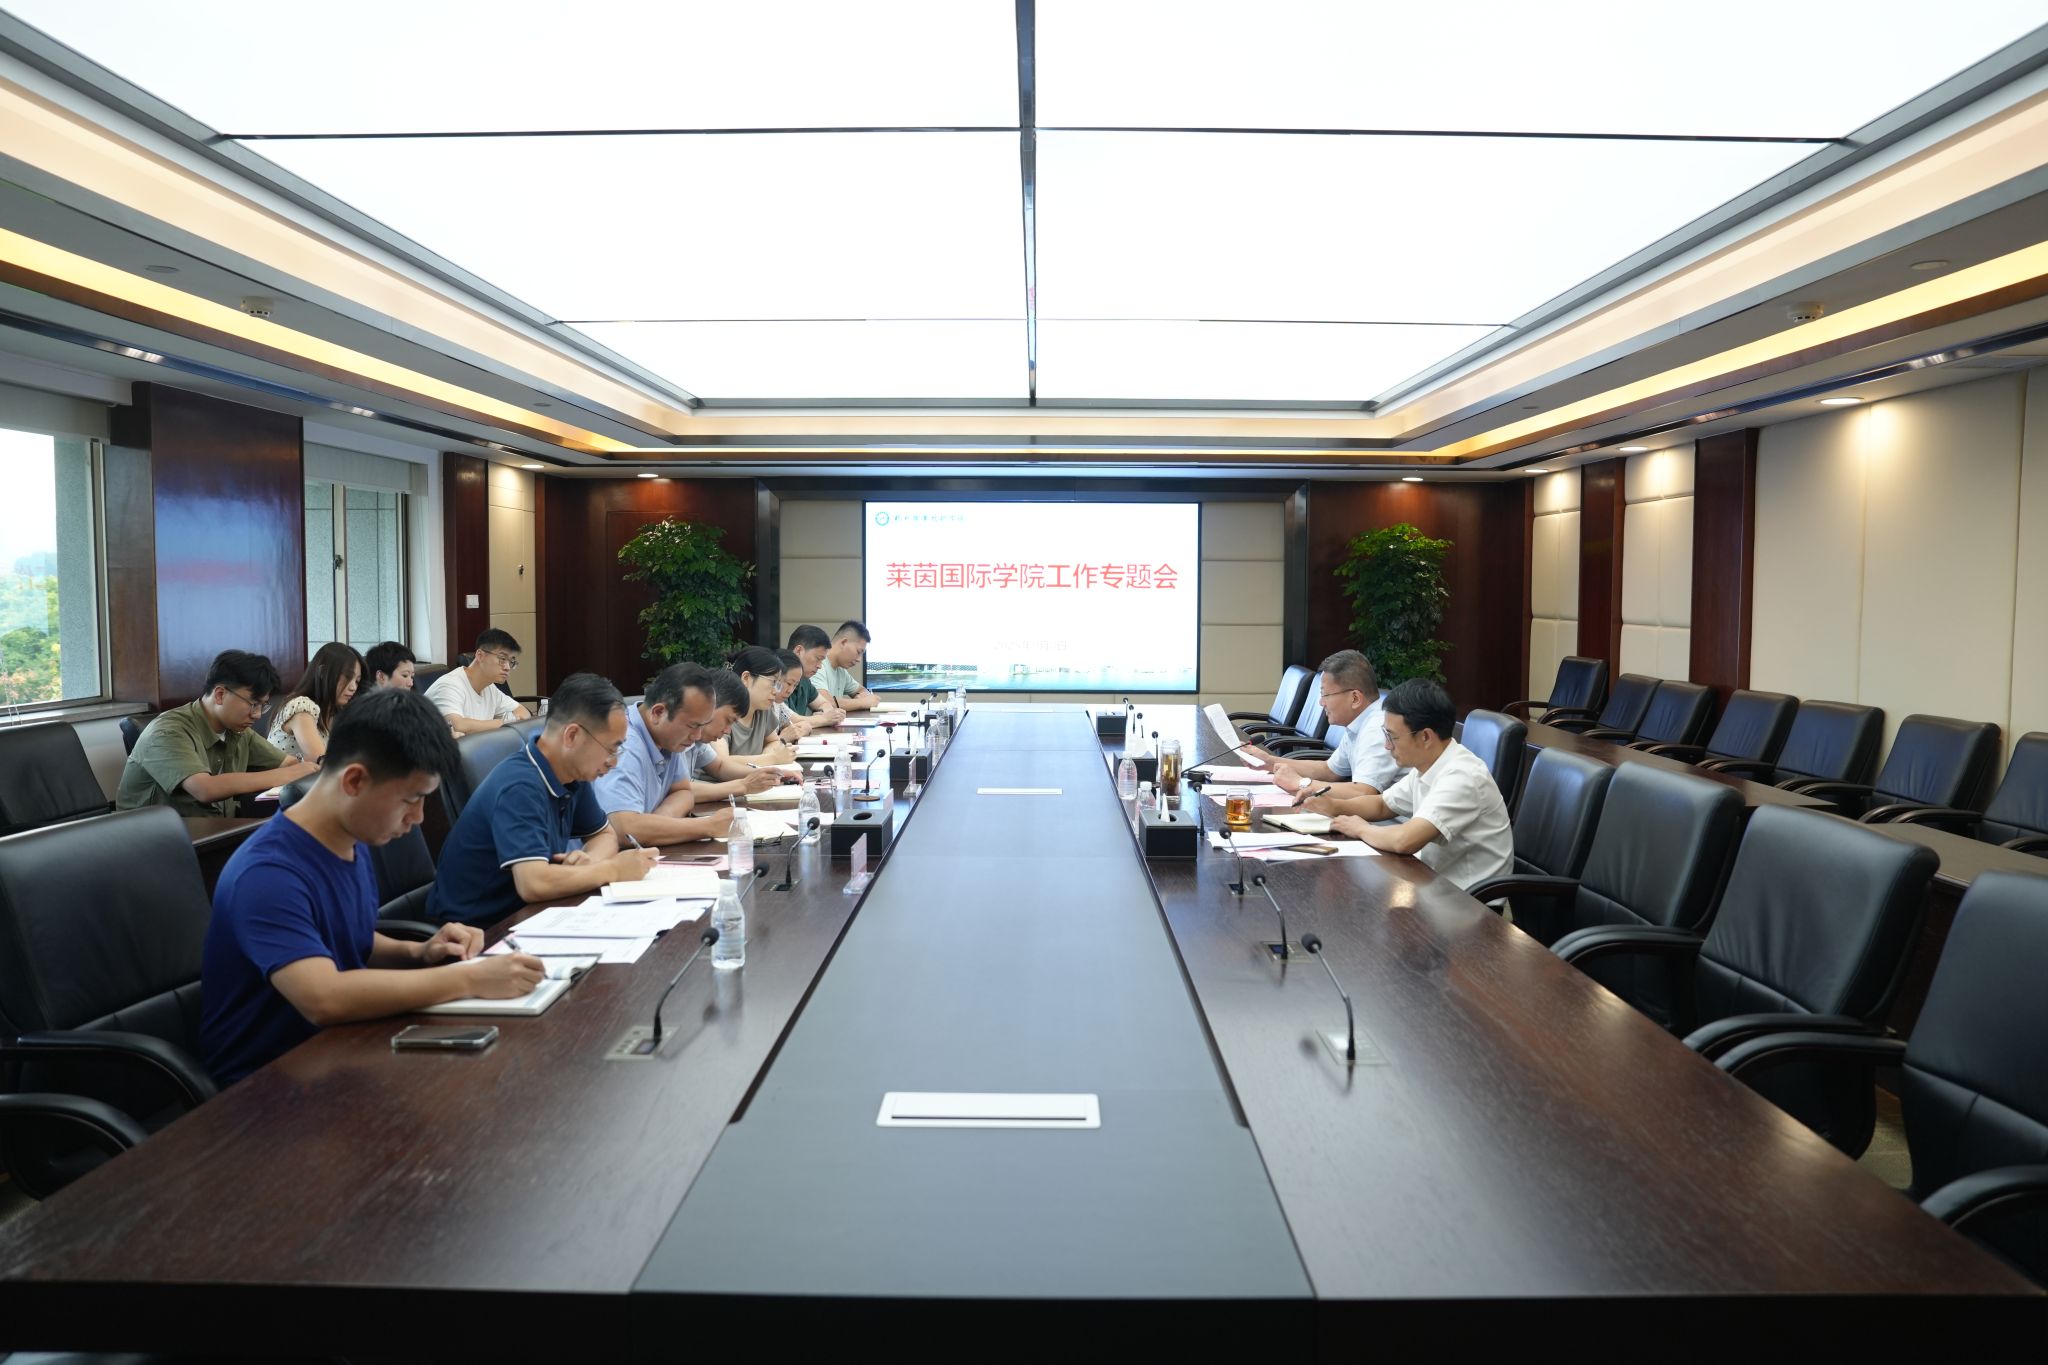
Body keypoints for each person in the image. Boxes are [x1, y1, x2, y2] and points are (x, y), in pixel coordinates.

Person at [200, 688, 545, 1086]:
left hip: (347, 1046)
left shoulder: (350, 838)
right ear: (354, 780)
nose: (418, 817)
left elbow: (346, 936)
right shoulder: (267, 875)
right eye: (411, 799)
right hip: (267, 1083)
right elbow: (323, 997)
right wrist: (470, 979)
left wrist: (420, 952)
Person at [427, 672, 657, 927]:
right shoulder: (520, 786)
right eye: (611, 748)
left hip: (531, 913)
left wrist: (590, 861)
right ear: (572, 736)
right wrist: (612, 870)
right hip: (476, 930)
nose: (614, 762)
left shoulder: (572, 772)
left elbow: (604, 835)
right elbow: (533, 884)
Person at [1322, 679, 1513, 891]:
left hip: (1469, 900)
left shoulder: (1463, 776)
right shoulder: (1428, 765)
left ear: (1425, 737)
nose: (1387, 746)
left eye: (1392, 737)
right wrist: (1331, 805)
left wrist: (1360, 828)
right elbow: (1382, 805)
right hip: (1432, 883)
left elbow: (1405, 840)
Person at [116, 649, 320, 816]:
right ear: (220, 694)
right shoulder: (167, 731)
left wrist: (306, 769)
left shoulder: (237, 731)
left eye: (263, 706)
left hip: (216, 829)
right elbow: (205, 789)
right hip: (155, 840)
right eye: (253, 704)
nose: (257, 714)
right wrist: (284, 775)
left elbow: (289, 764)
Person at [594, 662, 776, 845]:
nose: (696, 736)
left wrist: (658, 824)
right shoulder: (625, 745)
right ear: (658, 713)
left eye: (702, 725)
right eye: (693, 725)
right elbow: (625, 830)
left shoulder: (668, 738)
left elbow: (683, 792)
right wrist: (709, 826)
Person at [1251, 650, 1401, 802]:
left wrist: (1300, 783)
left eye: (1325, 695)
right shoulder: (1360, 721)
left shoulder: (1377, 729)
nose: (1321, 702)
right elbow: (1329, 770)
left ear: (1355, 698)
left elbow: (1364, 792)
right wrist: (1269, 761)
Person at [267, 642, 364, 763]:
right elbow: (322, 761)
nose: (353, 687)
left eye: (357, 681)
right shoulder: (301, 706)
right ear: (323, 672)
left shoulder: (337, 712)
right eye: (348, 677)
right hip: (287, 776)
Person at [423, 628, 531, 733]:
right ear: (480, 655)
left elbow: (524, 713)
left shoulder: (490, 688)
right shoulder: (450, 685)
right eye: (502, 659)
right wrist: (505, 722)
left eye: (511, 662)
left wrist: (506, 722)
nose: (507, 667)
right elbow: (457, 726)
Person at [722, 645, 801, 761]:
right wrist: (772, 759)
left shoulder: (762, 709)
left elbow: (773, 741)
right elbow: (721, 762)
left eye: (778, 685)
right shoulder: (722, 711)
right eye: (773, 683)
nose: (776, 691)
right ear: (746, 678)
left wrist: (766, 757)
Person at [785, 624, 845, 725]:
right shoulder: (777, 677)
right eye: (818, 658)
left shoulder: (804, 680)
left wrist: (822, 714)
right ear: (798, 651)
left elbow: (824, 704)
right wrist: (823, 719)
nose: (820, 666)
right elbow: (788, 720)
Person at [813, 620, 878, 712]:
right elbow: (824, 703)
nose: (859, 659)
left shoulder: (841, 671)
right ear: (843, 642)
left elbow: (861, 690)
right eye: (858, 652)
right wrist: (862, 702)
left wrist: (862, 697)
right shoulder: (817, 665)